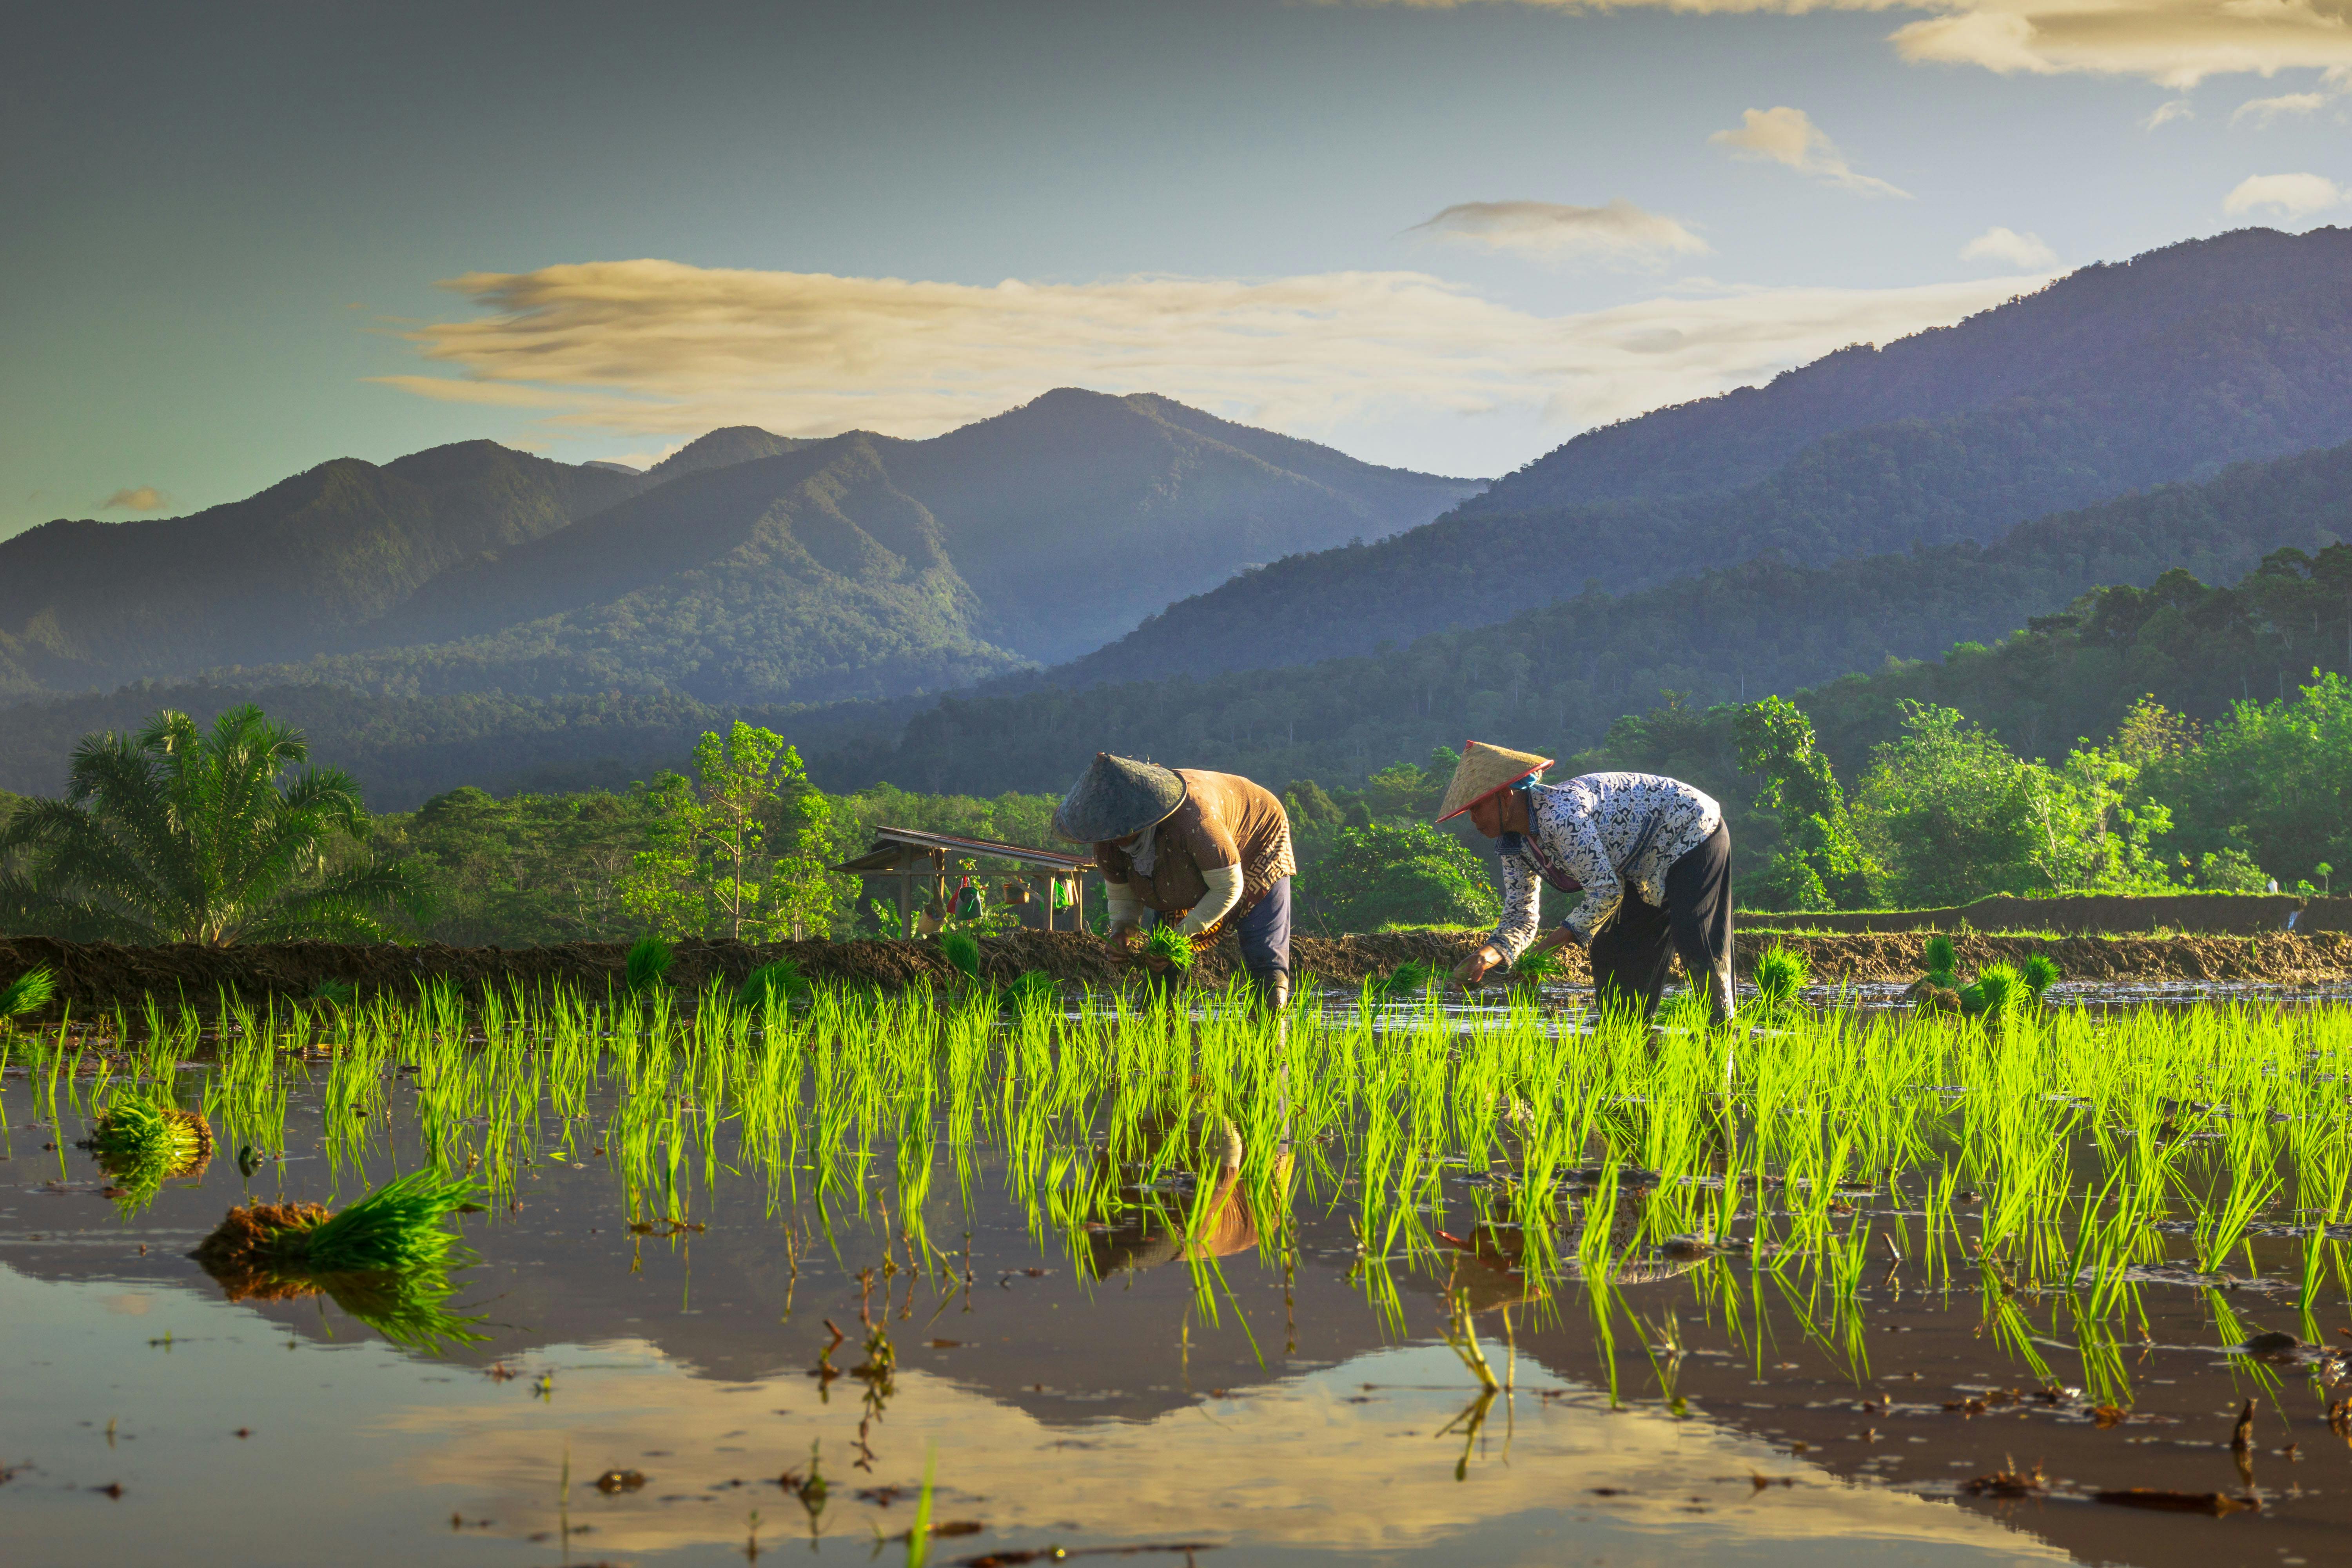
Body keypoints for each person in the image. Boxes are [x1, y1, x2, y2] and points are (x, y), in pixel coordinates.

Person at [1437, 741, 1735, 1024]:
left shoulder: (1561, 815)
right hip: (1638, 865)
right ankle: (1626, 1039)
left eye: (1477, 807)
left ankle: (1722, 1028)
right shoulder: (1513, 845)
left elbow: (1606, 892)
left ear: (1505, 796)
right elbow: (1520, 917)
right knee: (1614, 949)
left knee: (1695, 936)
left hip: (1689, 830)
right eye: (1469, 811)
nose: (1474, 819)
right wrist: (1483, 957)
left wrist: (1543, 952)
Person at [1052, 752, 1296, 1008]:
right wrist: (1123, 932)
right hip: (1182, 872)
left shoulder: (1194, 820)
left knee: (1264, 958)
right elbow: (1122, 898)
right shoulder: (1106, 845)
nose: (1112, 836)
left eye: (1118, 826)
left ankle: (1271, 1033)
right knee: (1160, 962)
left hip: (1258, 836)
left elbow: (1228, 887)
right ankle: (1160, 1031)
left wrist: (1181, 936)